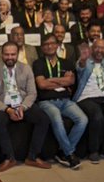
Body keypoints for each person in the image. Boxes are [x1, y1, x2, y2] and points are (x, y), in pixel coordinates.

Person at [0, 41, 52, 171]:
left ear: (17, 54)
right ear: (1, 54)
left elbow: (32, 93)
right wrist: (8, 110)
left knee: (43, 119)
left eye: (13, 54)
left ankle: (32, 156)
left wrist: (23, 107)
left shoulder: (26, 68)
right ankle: (9, 158)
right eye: (7, 54)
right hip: (3, 105)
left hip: (22, 103)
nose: (10, 57)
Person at [33, 34, 88, 169]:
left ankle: (63, 151)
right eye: (46, 44)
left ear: (57, 45)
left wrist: (50, 80)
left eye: (52, 43)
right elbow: (41, 85)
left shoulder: (67, 62)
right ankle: (69, 154)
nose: (50, 46)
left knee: (83, 119)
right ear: (42, 47)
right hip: (46, 101)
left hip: (65, 100)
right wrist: (61, 81)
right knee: (57, 118)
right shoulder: (38, 63)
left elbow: (71, 81)